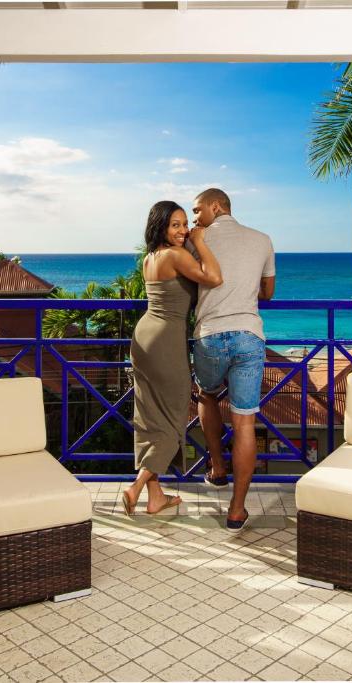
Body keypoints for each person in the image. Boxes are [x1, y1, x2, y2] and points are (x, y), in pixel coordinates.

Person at [123, 200, 223, 516]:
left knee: (150, 416)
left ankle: (156, 497)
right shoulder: (176, 255)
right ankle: (136, 486)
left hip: (143, 338)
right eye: (175, 225)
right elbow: (214, 277)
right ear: (161, 227)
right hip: (166, 341)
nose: (182, 230)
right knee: (175, 414)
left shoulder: (150, 258)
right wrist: (201, 241)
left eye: (184, 224)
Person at [190, 188, 275, 532]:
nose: (195, 218)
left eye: (197, 210)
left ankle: (217, 467)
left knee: (206, 394)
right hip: (249, 334)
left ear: (216, 206)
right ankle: (237, 510)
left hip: (209, 334)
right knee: (244, 423)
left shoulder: (197, 238)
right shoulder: (263, 239)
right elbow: (268, 293)